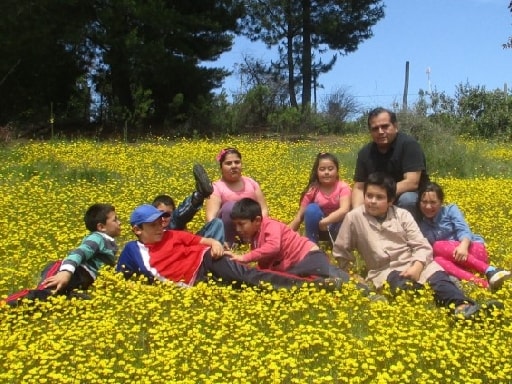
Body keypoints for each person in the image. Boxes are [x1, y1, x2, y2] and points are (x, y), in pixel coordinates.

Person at [332, 172, 503, 320]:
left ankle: (464, 308)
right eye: (369, 196)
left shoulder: (402, 215)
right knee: (403, 287)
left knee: (439, 280)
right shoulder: (354, 218)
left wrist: (418, 265)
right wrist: (352, 274)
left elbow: (421, 245)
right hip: (384, 270)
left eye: (379, 197)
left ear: (391, 200)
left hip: (415, 262)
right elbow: (341, 251)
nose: (372, 201)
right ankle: (432, 299)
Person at [116, 204, 337, 289]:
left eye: (161, 222)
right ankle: (309, 284)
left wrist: (215, 244)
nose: (160, 227)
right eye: (153, 225)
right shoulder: (132, 251)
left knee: (250, 277)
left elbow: (203, 240)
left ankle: (313, 286)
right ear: (137, 230)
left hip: (208, 259)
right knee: (243, 287)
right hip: (197, 281)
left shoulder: (171, 234)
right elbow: (121, 278)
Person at [4, 203, 121, 305]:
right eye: (115, 220)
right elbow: (78, 253)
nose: (119, 222)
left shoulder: (108, 242)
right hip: (67, 271)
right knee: (44, 294)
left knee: (63, 299)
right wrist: (65, 273)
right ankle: (5, 304)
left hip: (80, 279)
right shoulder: (97, 238)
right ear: (101, 227)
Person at [417, 181, 511, 291]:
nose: (428, 206)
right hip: (457, 262)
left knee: (437, 246)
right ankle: (484, 285)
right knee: (436, 260)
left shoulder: (450, 210)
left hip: (472, 251)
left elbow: (464, 230)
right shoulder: (422, 225)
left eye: (433, 202)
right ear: (419, 202)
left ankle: (491, 270)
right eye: (424, 202)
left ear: (441, 202)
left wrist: (463, 246)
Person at [225, 198, 348, 282]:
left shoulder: (270, 225)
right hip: (295, 265)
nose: (238, 229)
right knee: (288, 277)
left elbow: (273, 247)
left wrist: (245, 258)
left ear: (257, 220)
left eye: (241, 224)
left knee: (319, 273)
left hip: (308, 256)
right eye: (235, 225)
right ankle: (324, 281)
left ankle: (354, 284)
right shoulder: (254, 237)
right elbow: (264, 262)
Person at [352, 107, 429, 216]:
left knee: (407, 199)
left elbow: (412, 182)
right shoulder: (365, 153)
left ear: (395, 126)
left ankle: (408, 232)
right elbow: (359, 187)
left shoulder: (409, 145)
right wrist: (357, 212)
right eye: (375, 128)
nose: (380, 132)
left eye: (385, 126)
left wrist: (380, 195)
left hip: (408, 197)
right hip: (379, 198)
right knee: (355, 205)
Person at [205, 147, 269, 246]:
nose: (234, 166)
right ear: (221, 167)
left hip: (252, 229)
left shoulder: (251, 183)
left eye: (237, 162)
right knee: (230, 207)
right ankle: (228, 242)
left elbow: (263, 209)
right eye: (228, 163)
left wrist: (260, 228)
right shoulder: (216, 187)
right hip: (227, 233)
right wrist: (216, 239)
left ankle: (254, 240)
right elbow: (211, 218)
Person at [289, 152, 351, 244]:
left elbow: (344, 210)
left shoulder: (343, 187)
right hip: (319, 230)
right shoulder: (313, 190)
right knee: (311, 209)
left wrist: (326, 221)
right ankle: (311, 244)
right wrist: (284, 234)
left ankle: (341, 245)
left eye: (330, 169)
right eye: (322, 169)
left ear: (337, 171)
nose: (326, 172)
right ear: (317, 172)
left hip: (338, 229)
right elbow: (299, 216)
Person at [152, 164, 224, 243]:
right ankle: (198, 195)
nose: (163, 218)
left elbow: (178, 217)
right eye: (160, 214)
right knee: (174, 222)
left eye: (167, 214)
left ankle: (198, 196)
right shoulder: (147, 228)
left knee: (217, 223)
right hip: (173, 250)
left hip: (190, 247)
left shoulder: (174, 221)